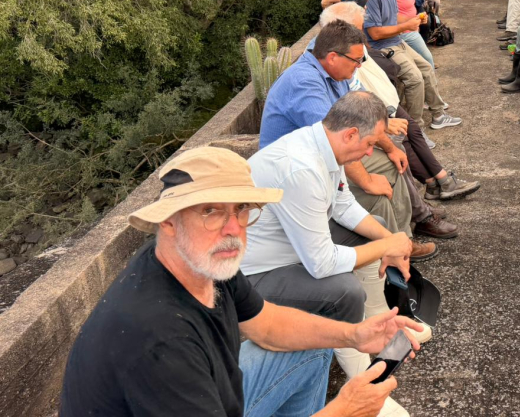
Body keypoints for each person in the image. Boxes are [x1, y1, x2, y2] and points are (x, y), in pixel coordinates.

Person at [59, 146, 422, 417]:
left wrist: (353, 335)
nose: (233, 230)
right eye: (210, 211)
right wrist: (344, 411)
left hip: (213, 392)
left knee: (314, 344)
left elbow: (268, 325)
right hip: (185, 390)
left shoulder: (203, 264)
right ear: (168, 222)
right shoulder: (159, 340)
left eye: (241, 209)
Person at [245, 92, 421, 417]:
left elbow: (343, 205)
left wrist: (390, 238)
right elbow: (322, 263)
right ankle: (363, 382)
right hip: (255, 274)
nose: (370, 152)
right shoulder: (301, 168)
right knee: (344, 292)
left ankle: (380, 319)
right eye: (369, 144)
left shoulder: (325, 145)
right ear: (350, 133)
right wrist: (385, 247)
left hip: (293, 248)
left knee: (377, 224)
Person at [260, 19, 440, 261]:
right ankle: (395, 244)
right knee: (378, 189)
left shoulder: (335, 73)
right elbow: (337, 140)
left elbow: (359, 121)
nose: (359, 66)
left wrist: (389, 146)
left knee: (392, 158)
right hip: (295, 173)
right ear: (333, 57)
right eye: (356, 60)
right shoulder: (305, 83)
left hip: (321, 158)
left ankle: (401, 238)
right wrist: (366, 181)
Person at [321, 2, 480, 205]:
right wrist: (383, 118)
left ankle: (441, 179)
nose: (362, 32)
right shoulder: (342, 55)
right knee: (401, 142)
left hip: (385, 99)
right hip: (376, 105)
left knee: (412, 130)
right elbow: (354, 91)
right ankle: (436, 183)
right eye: (358, 27)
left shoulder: (352, 47)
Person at [363, 0, 461, 130]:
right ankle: (415, 129)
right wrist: (405, 26)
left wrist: (413, 19)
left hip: (396, 41)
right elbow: (375, 33)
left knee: (426, 67)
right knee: (415, 78)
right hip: (381, 48)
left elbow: (393, 17)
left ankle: (438, 115)